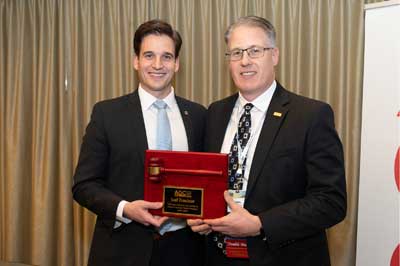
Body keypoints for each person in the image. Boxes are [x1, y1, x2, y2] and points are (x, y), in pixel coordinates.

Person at [188, 16, 347, 266]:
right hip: (217, 256)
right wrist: (199, 215)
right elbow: (207, 182)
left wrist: (260, 224)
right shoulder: (215, 113)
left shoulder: (310, 115)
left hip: (282, 257)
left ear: (274, 55)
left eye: (255, 51)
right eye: (236, 52)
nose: (245, 61)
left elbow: (331, 201)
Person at [72, 19, 206, 266]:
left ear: (177, 64)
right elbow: (84, 185)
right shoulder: (107, 114)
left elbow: (206, 181)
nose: (157, 65)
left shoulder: (199, 116)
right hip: (122, 249)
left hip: (185, 252)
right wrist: (125, 208)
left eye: (166, 56)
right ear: (136, 61)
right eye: (149, 55)